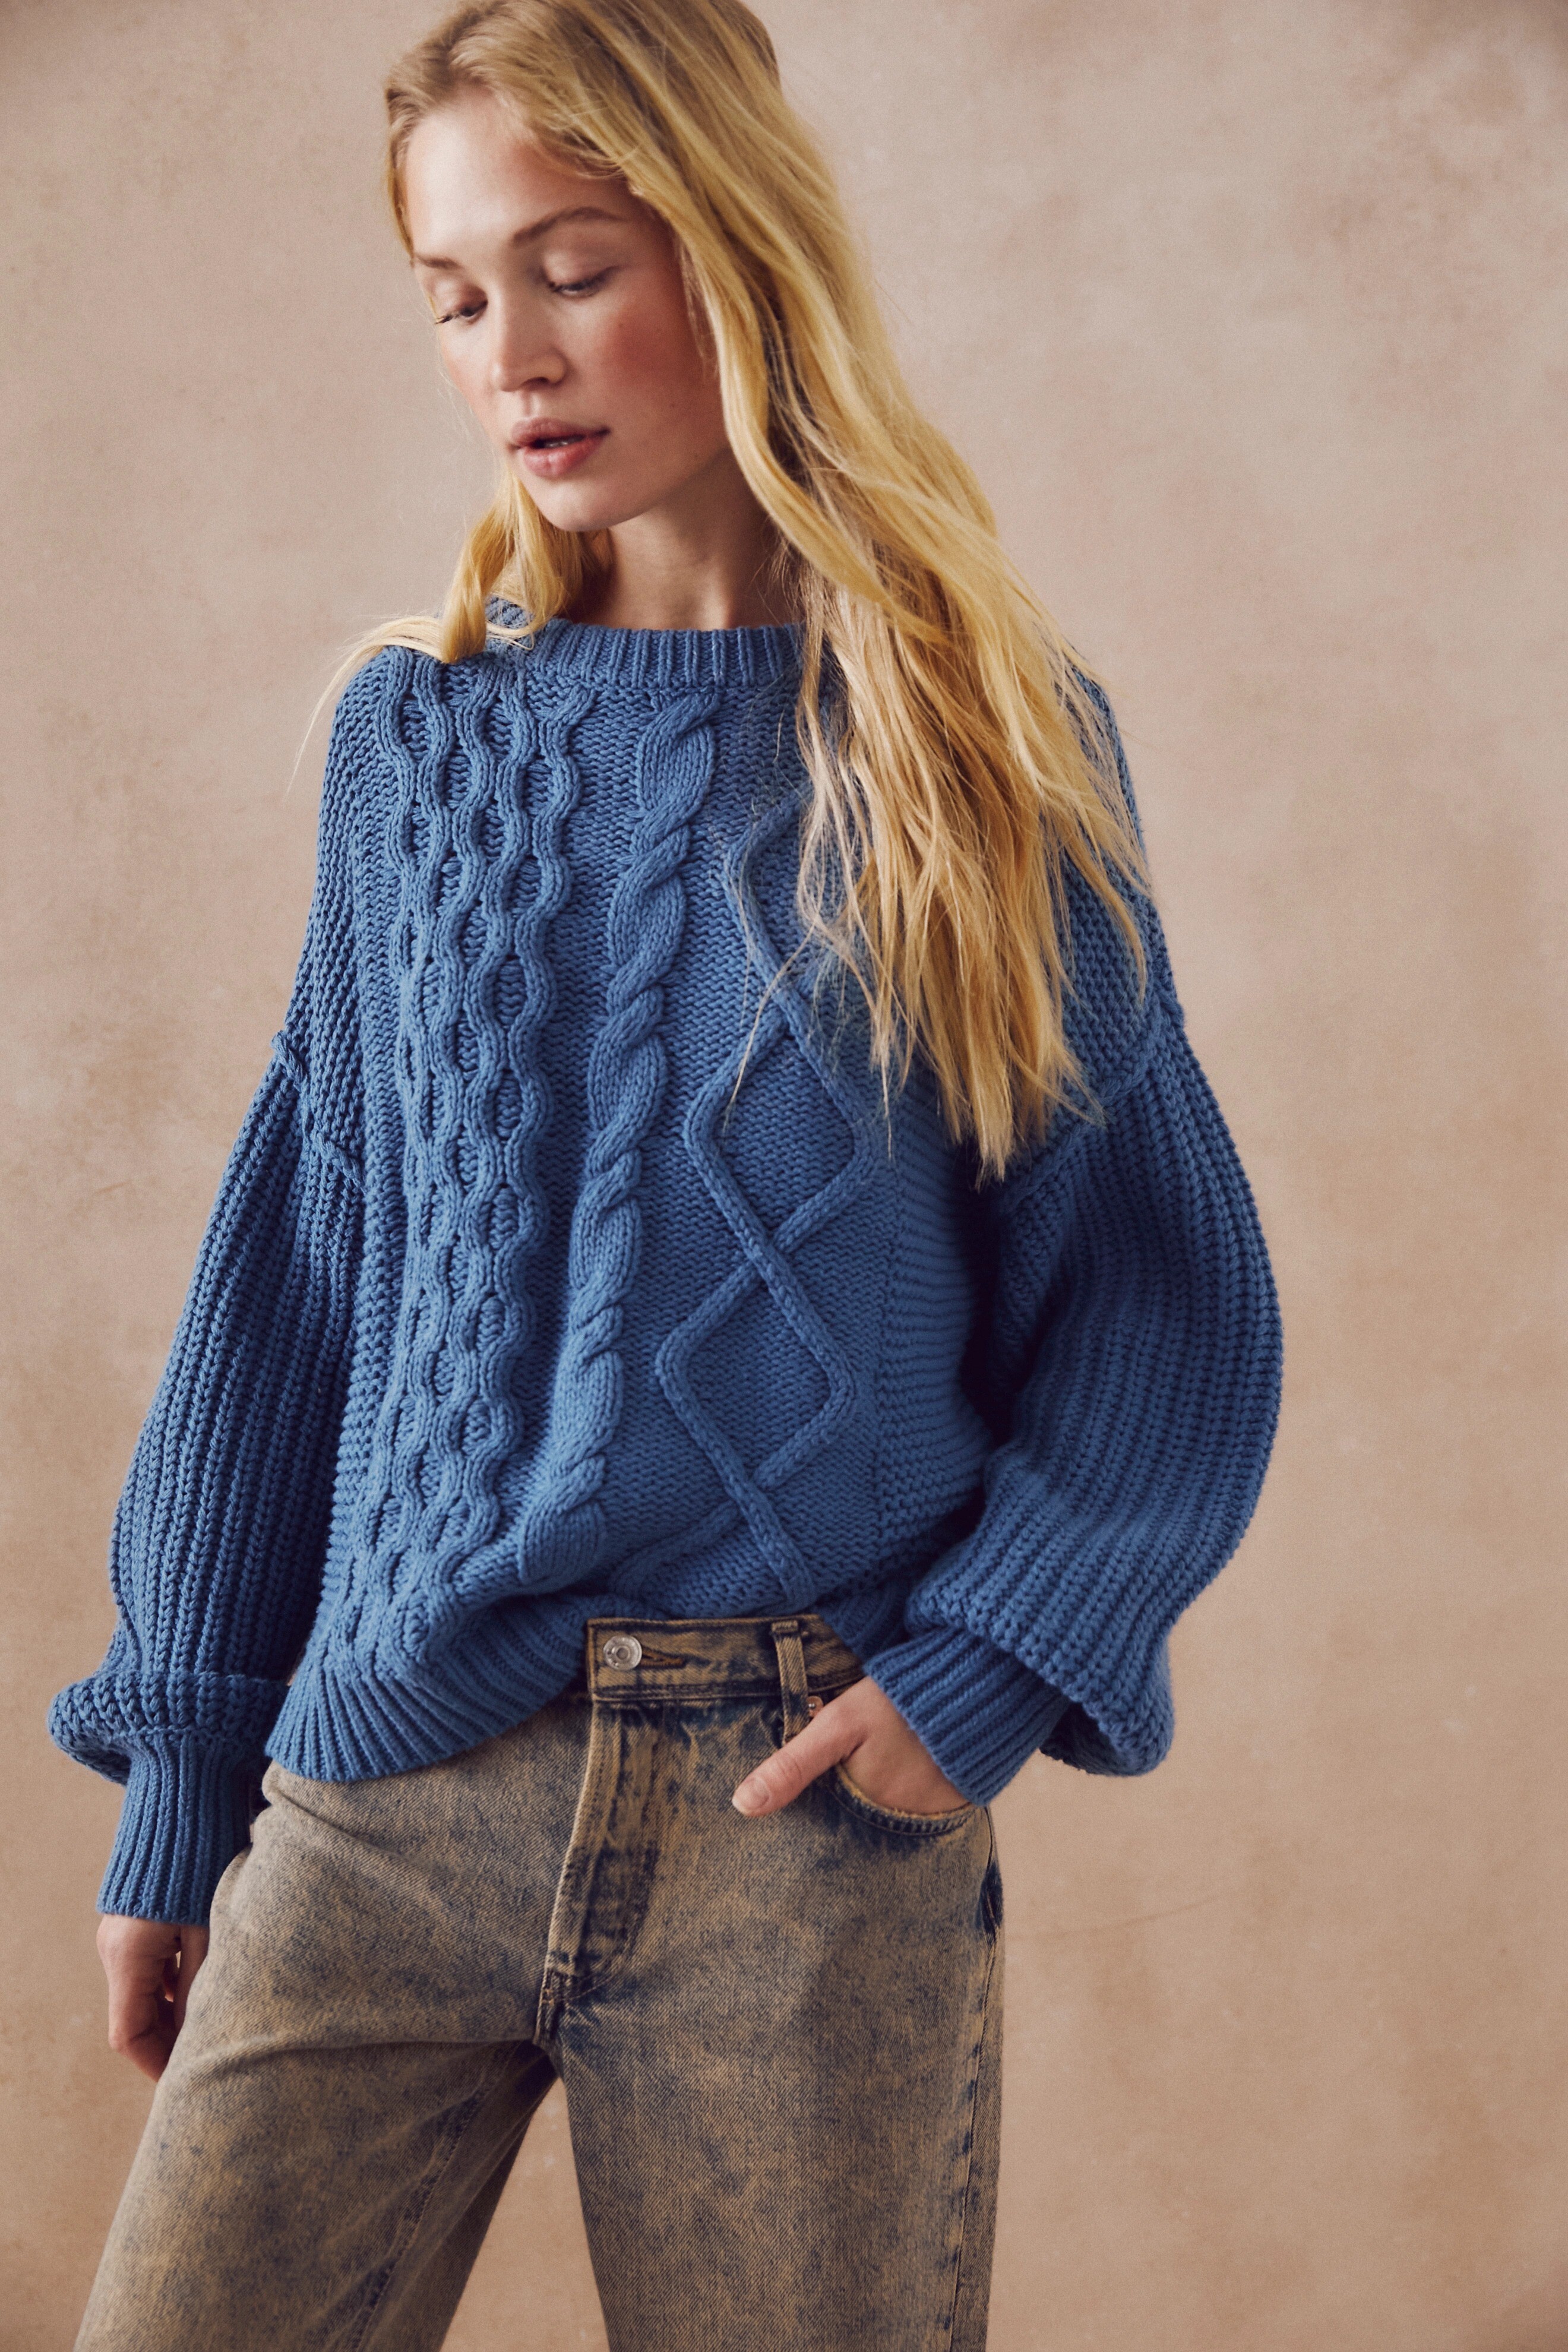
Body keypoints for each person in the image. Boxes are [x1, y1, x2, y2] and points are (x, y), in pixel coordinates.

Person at [49, 2, 1282, 2344]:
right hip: (389, 1778)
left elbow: (1154, 1295)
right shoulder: (417, 744)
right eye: (452, 296)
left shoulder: (980, 749)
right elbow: (297, 1278)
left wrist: (983, 1668)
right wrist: (187, 1762)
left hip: (797, 1826)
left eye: (573, 266)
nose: (509, 354)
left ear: (739, 247)